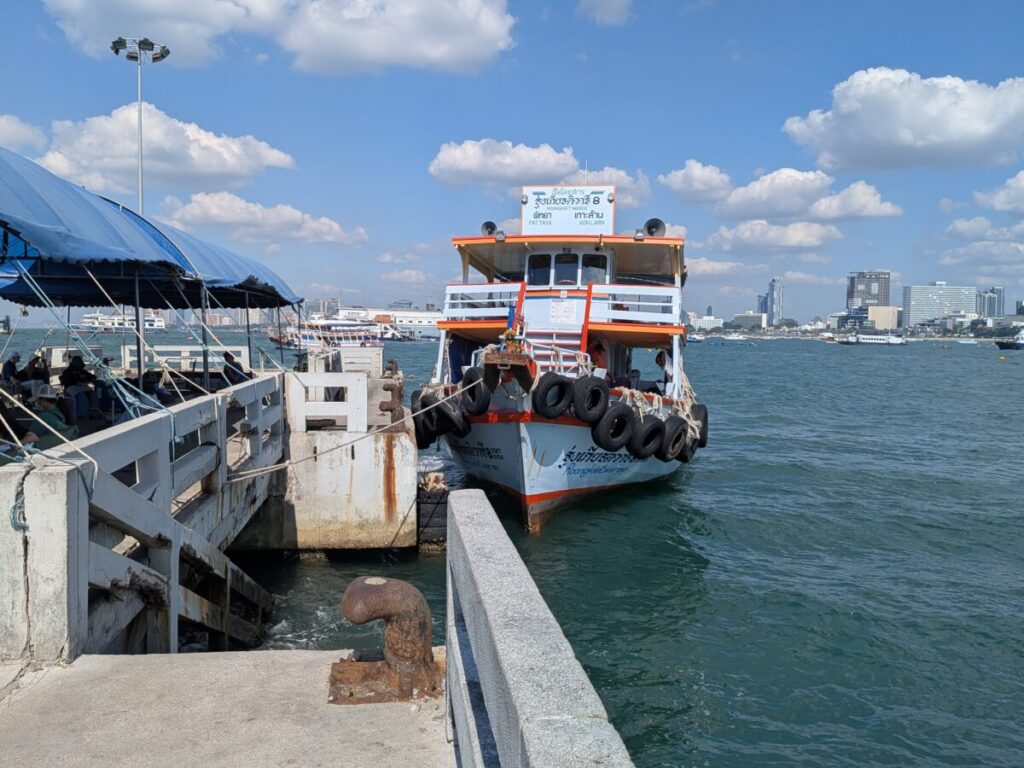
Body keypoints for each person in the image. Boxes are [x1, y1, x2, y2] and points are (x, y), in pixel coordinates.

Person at [29, 385, 79, 450]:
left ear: (44, 401)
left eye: (37, 401)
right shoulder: (60, 411)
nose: (36, 403)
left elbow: (31, 437)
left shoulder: (43, 416)